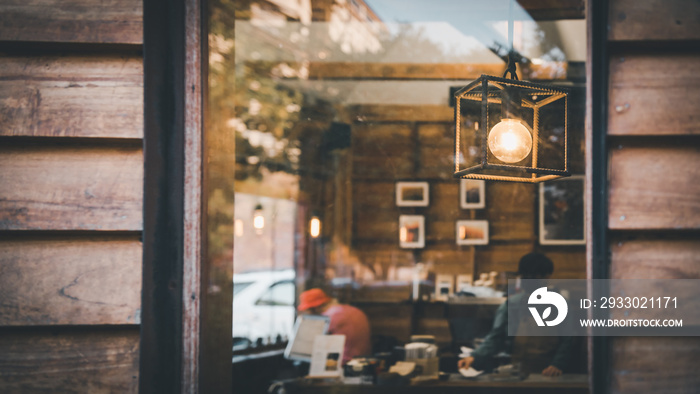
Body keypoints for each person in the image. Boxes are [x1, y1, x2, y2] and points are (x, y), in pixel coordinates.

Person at [457, 252, 575, 377]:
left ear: (547, 276)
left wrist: (557, 364)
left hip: (550, 374)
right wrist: (474, 357)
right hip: (518, 373)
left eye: (536, 276)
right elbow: (496, 337)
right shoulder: (511, 305)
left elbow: (568, 340)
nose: (530, 279)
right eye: (526, 275)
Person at [298, 288, 371, 365]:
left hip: (343, 365)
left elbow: (312, 347)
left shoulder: (328, 317)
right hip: (364, 362)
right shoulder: (352, 310)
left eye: (308, 310)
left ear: (314, 308)